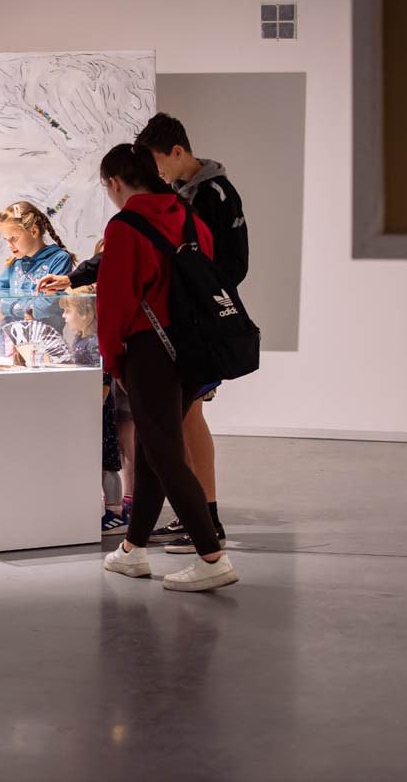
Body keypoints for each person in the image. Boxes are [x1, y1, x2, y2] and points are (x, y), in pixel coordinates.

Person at [95, 143, 238, 592]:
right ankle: (132, 550)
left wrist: (113, 362)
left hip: (151, 350)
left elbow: (114, 303)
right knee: (156, 449)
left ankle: (211, 556)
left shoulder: (124, 226)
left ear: (115, 182)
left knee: (164, 454)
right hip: (195, 348)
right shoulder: (191, 217)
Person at [134, 112, 249, 551]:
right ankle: (195, 515)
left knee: (188, 418)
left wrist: (202, 305)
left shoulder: (216, 195)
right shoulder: (179, 195)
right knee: (183, 417)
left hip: (201, 326)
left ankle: (207, 521)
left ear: (177, 151)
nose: (156, 173)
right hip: (182, 324)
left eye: (158, 162)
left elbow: (232, 265)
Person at [61, 284, 126, 535]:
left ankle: (115, 513)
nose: (64, 316)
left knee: (107, 464)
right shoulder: (80, 340)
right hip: (86, 410)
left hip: (98, 415)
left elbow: (103, 382)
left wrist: (93, 408)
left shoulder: (95, 345)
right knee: (97, 462)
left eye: (68, 311)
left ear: (87, 314)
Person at [0, 201, 76, 336]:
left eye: (13, 238)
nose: (9, 245)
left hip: (44, 340)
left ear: (34, 231)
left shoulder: (59, 259)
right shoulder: (14, 263)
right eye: (6, 239)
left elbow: (50, 304)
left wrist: (10, 308)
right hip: (10, 339)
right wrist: (28, 309)